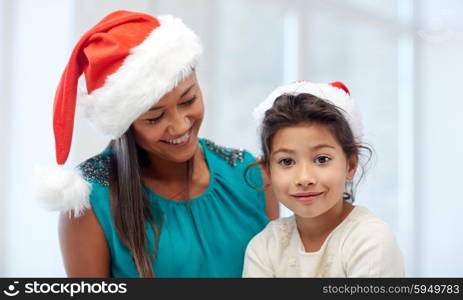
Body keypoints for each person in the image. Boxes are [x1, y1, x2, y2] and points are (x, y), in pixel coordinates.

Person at [37, 10, 278, 278]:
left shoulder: (250, 176)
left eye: (188, 100)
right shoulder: (88, 203)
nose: (180, 126)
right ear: (125, 124)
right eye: (154, 117)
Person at [242, 80, 405, 277]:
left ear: (351, 165)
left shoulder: (370, 240)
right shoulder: (265, 246)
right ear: (268, 170)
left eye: (321, 159)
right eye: (286, 162)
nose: (304, 178)